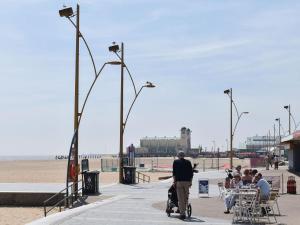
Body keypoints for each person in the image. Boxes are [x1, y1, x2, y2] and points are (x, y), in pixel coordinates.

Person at [172, 151, 193, 220]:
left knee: (180, 198)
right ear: (184, 156)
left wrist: (174, 182)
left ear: (178, 156)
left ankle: (182, 214)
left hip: (179, 182)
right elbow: (191, 173)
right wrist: (190, 182)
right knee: (186, 197)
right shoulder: (188, 162)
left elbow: (174, 173)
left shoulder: (175, 162)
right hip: (187, 182)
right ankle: (184, 209)